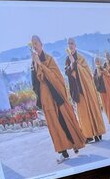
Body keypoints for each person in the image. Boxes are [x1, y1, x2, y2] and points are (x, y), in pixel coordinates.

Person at [29, 35, 86, 163]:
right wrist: (35, 65)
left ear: (41, 44)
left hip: (57, 95)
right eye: (32, 44)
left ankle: (75, 143)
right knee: (54, 124)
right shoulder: (33, 63)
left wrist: (40, 65)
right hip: (46, 98)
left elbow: (57, 78)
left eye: (36, 43)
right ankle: (63, 152)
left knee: (65, 119)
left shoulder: (49, 59)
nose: (34, 46)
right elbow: (35, 83)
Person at [64, 38, 106, 143]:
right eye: (69, 44)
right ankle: (88, 135)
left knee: (91, 110)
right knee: (82, 113)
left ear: (75, 45)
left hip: (86, 89)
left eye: (72, 43)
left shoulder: (81, 58)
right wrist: (72, 64)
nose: (70, 45)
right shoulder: (67, 59)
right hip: (77, 90)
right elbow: (66, 72)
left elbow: (87, 73)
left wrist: (76, 64)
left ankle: (97, 133)